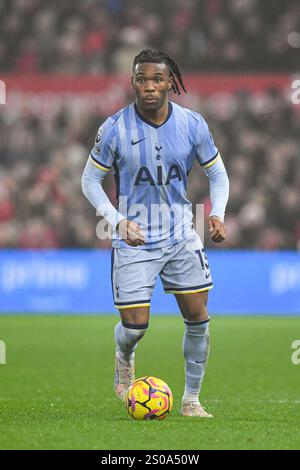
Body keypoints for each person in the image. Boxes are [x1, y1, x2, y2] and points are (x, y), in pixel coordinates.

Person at [81, 49, 229, 417]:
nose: (149, 86)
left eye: (157, 79)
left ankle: (191, 400)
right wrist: (116, 220)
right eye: (142, 79)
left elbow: (217, 174)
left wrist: (218, 214)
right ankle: (124, 354)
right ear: (132, 82)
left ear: (169, 83)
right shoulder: (114, 128)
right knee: (135, 327)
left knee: (198, 318)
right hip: (135, 238)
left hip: (181, 234)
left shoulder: (193, 124)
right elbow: (90, 180)